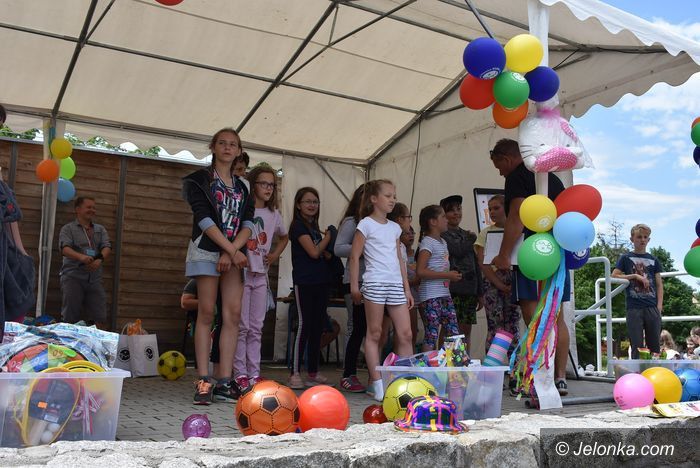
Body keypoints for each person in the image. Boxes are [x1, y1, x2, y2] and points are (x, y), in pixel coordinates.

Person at [489, 138, 571, 395]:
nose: (500, 173)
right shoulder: (551, 177)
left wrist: (503, 254)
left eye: (499, 166)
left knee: (533, 313)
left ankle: (540, 377)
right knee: (556, 316)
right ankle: (560, 377)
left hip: (531, 254)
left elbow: (517, 215)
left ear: (506, 158)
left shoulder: (516, 176)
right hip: (557, 251)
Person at [182, 127, 254, 405]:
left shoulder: (243, 186)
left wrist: (232, 250)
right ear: (213, 147)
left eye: (232, 144)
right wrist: (230, 250)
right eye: (222, 143)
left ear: (238, 150)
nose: (227, 147)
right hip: (207, 249)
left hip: (233, 253)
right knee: (206, 311)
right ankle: (203, 379)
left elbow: (248, 222)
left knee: (232, 315)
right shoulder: (199, 180)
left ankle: (225, 380)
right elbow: (203, 219)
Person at [350, 179, 414, 401]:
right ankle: (377, 383)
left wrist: (407, 289)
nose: (392, 200)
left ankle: (407, 383)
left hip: (395, 284)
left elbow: (400, 259)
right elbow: (354, 256)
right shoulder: (365, 224)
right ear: (374, 199)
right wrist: (354, 286)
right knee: (375, 333)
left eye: (394, 196)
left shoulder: (395, 228)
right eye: (388, 196)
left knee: (406, 333)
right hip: (375, 283)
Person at [234, 164, 288, 389]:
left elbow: (284, 237)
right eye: (263, 183)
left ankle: (254, 373)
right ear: (253, 185)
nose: (268, 188)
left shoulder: (274, 214)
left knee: (256, 327)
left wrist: (274, 255)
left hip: (260, 276)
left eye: (272, 185)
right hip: (242, 274)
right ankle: (239, 373)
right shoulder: (243, 210)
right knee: (242, 326)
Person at [288, 187, 332, 389]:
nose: (312, 205)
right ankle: (295, 372)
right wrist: (328, 238)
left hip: (321, 281)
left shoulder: (314, 228)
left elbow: (320, 253)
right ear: (298, 205)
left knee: (317, 326)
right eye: (307, 201)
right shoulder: (298, 226)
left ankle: (313, 371)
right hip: (304, 282)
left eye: (315, 201)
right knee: (304, 325)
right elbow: (313, 252)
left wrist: (326, 250)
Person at [473, 195, 521, 358]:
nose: (492, 212)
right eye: (490, 209)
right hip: (492, 281)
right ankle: (494, 367)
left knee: (513, 324)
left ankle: (515, 367)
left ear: (506, 208)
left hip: (513, 279)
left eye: (496, 208)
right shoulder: (485, 233)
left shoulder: (516, 230)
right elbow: (483, 263)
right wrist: (499, 284)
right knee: (495, 324)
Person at [58, 197, 112, 329]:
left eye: (94, 207)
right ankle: (68, 341)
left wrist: (99, 259)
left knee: (100, 317)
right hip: (73, 277)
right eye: (89, 207)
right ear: (78, 209)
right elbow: (64, 249)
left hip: (94, 279)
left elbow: (107, 246)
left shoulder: (100, 229)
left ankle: (98, 341)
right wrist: (81, 257)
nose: (92, 210)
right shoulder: (68, 229)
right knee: (70, 317)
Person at [335, 184, 368, 392]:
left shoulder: (378, 223)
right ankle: (348, 373)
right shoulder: (352, 221)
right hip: (354, 281)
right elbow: (338, 248)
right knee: (355, 326)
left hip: (374, 281)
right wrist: (363, 248)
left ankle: (370, 374)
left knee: (369, 329)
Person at [612, 224, 664, 359]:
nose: (642, 240)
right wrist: (635, 276)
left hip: (652, 306)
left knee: (654, 345)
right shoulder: (625, 258)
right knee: (636, 344)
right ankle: (637, 370)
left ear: (649, 240)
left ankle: (654, 370)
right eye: (639, 237)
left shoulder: (654, 260)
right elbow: (614, 276)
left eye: (645, 237)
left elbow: (659, 285)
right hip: (634, 307)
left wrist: (659, 306)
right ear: (632, 239)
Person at [439, 195, 483, 353]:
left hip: (469, 289)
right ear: (444, 214)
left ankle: (463, 361)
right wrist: (471, 239)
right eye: (451, 211)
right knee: (449, 329)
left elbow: (476, 264)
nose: (456, 213)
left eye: (459, 209)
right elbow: (457, 250)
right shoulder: (443, 234)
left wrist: (480, 292)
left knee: (466, 330)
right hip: (452, 289)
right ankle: (445, 361)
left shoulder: (466, 234)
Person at [415, 204, 461, 351]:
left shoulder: (443, 242)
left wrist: (450, 276)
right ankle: (427, 364)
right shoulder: (427, 242)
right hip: (431, 296)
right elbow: (420, 271)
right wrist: (447, 275)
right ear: (433, 222)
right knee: (432, 333)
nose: (447, 219)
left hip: (444, 294)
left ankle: (452, 362)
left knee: (453, 331)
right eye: (443, 217)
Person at [388, 203, 418, 348]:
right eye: (408, 217)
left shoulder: (401, 246)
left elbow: (403, 271)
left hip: (401, 292)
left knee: (406, 333)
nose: (409, 221)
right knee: (381, 333)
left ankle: (402, 360)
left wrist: (407, 290)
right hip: (390, 292)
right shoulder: (389, 242)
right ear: (400, 219)